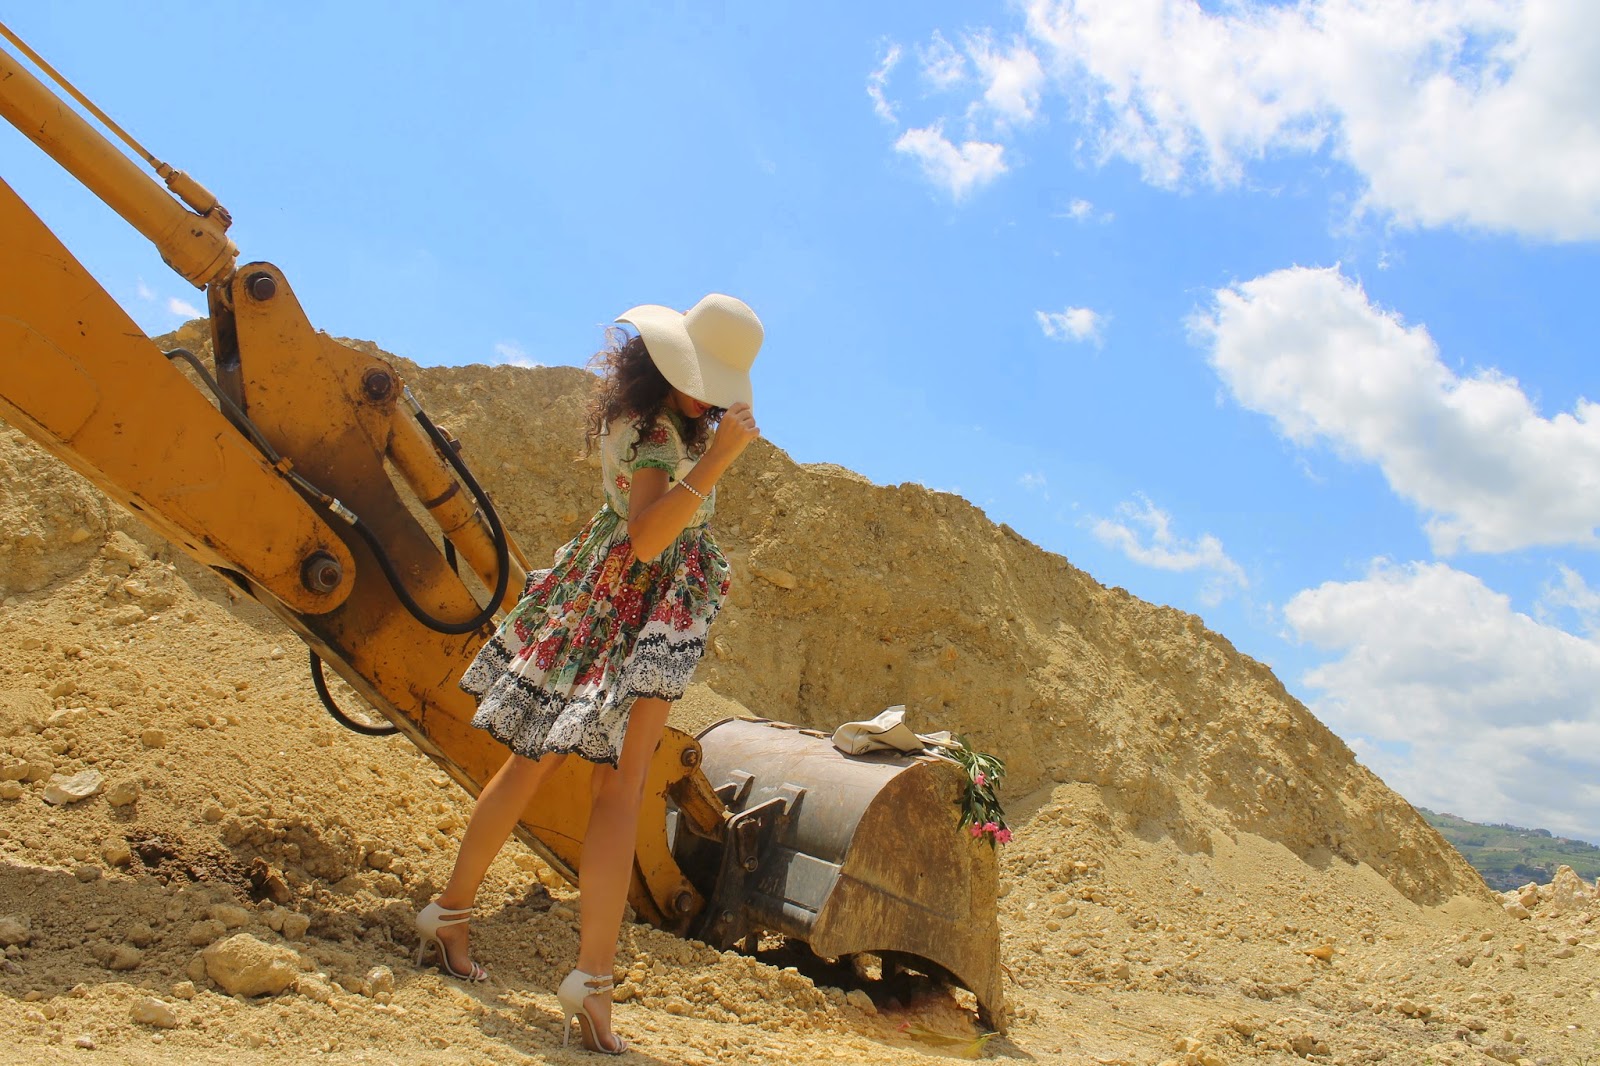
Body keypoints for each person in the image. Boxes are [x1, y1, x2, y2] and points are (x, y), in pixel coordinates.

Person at [414, 293, 764, 1055]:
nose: (711, 392)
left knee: (533, 763)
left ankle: (451, 916)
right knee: (617, 785)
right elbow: (646, 538)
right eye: (705, 374)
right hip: (636, 608)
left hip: (601, 598)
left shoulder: (646, 419)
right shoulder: (661, 436)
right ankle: (591, 982)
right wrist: (720, 458)